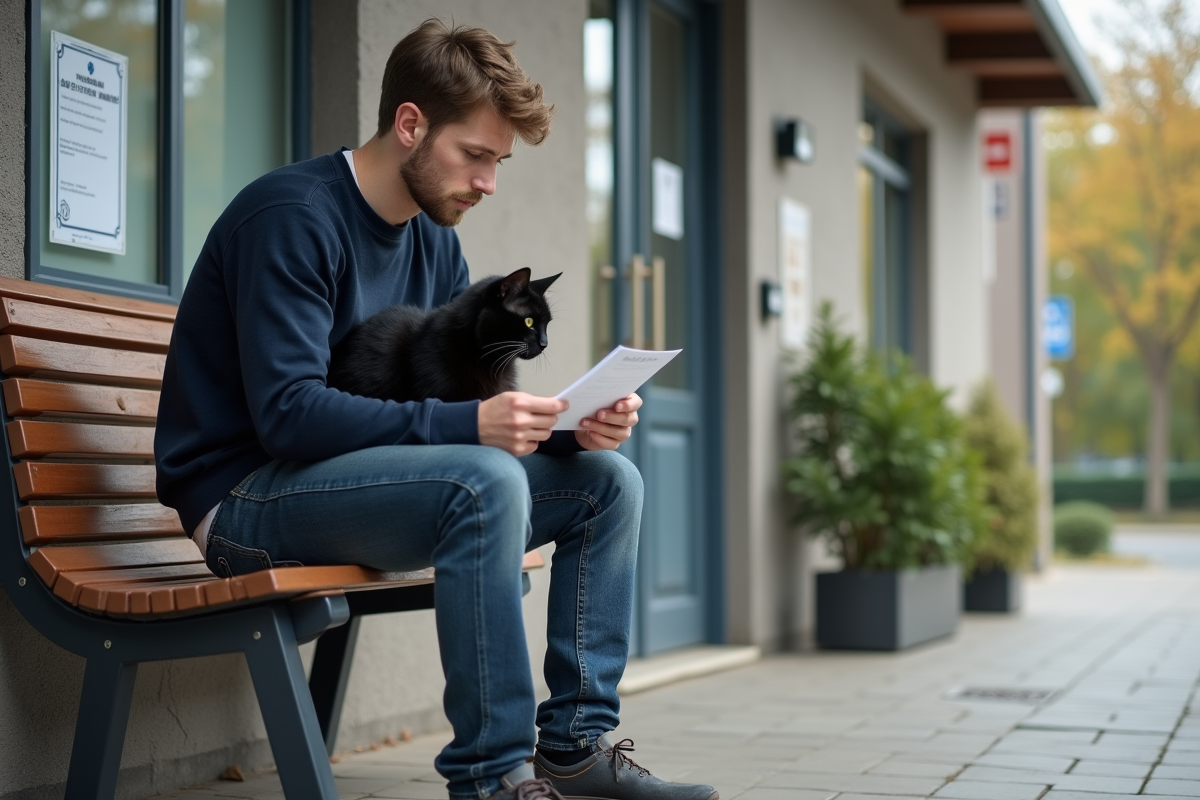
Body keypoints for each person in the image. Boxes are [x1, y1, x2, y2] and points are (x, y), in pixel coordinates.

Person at [154, 19, 717, 800]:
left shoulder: (431, 239)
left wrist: (559, 429)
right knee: (480, 483)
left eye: (499, 162)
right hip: (248, 495)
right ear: (410, 124)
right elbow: (287, 415)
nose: (488, 183)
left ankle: (574, 747)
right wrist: (472, 430)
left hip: (350, 483)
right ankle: (491, 780)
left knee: (607, 482)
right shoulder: (291, 217)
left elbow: (447, 403)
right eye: (476, 155)